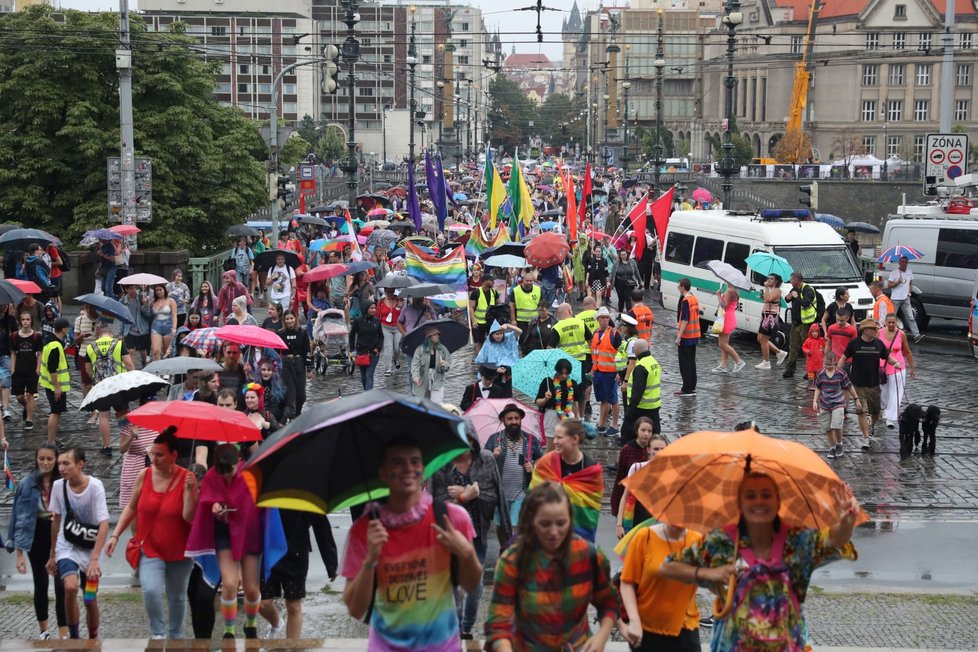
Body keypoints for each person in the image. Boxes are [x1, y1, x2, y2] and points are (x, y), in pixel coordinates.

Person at [660, 472, 859, 652]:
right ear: (739, 503)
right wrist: (708, 573)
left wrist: (846, 523)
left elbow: (833, 541)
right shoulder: (722, 542)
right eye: (750, 496)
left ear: (778, 501)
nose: (758, 502)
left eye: (766, 495)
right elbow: (667, 566)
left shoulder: (796, 540)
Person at [340, 435, 482, 649]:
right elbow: (355, 609)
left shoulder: (452, 518)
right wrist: (370, 560)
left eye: (415, 461)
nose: (408, 468)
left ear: (424, 470)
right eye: (397, 462)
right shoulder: (365, 530)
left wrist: (466, 554)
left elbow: (471, 585)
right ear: (383, 473)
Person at [484, 482, 618, 651]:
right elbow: (498, 622)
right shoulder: (513, 561)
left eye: (561, 523)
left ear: (570, 520)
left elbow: (609, 602)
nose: (554, 532)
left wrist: (601, 637)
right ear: (531, 521)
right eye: (545, 524)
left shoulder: (588, 555)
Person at [107, 429, 198, 640]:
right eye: (153, 453)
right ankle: (157, 634)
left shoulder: (187, 478)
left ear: (174, 455)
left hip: (179, 550)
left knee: (176, 596)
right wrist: (115, 535)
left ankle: (175, 636)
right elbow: (131, 507)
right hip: (150, 547)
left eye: (160, 455)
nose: (154, 459)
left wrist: (190, 493)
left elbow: (188, 516)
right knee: (150, 591)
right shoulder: (144, 475)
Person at [430, 433, 511, 640]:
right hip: (449, 536)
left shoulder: (486, 459)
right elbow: (434, 504)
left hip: (477, 533)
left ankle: (466, 625)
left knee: (475, 586)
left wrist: (476, 495)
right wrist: (465, 496)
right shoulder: (442, 463)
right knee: (451, 585)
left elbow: (495, 494)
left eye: (469, 440)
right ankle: (457, 627)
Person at [185, 444, 263, 639]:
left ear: (239, 463)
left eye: (231, 473)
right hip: (224, 534)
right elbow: (206, 502)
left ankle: (250, 624)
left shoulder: (250, 474)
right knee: (229, 583)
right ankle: (229, 631)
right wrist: (214, 507)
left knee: (252, 588)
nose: (227, 478)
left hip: (248, 533)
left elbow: (260, 505)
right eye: (223, 474)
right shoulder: (212, 476)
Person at [46, 447, 110, 640]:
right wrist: (52, 555)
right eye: (60, 464)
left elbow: (104, 523)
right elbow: (56, 520)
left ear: (80, 464)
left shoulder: (95, 486)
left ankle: (93, 638)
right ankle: (74, 638)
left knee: (90, 599)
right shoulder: (58, 486)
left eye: (67, 463)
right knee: (70, 587)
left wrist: (95, 559)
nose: (62, 468)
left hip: (91, 548)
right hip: (67, 546)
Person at [7, 443, 67, 639]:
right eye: (41, 458)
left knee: (62, 585)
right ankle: (44, 630)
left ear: (56, 460)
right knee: (40, 584)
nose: (45, 462)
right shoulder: (27, 483)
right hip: (37, 536)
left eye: (50, 458)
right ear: (36, 459)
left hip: (59, 537)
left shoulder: (64, 482)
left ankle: (63, 631)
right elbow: (19, 518)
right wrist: (19, 554)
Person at [258, 509, 338, 639]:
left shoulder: (306, 489)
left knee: (293, 605)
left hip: (296, 550)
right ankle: (277, 623)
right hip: (268, 548)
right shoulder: (266, 488)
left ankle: (292, 647)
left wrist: (331, 564)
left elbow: (321, 524)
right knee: (262, 602)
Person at [529, 419, 603, 543]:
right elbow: (532, 495)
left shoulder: (591, 469)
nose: (555, 442)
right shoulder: (547, 463)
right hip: (547, 534)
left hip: (579, 535)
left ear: (574, 439)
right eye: (555, 437)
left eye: (559, 438)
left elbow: (592, 505)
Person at [844, 318, 905, 450]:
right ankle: (866, 438)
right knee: (861, 411)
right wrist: (838, 374)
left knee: (876, 411)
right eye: (874, 329)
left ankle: (872, 424)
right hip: (858, 384)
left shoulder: (878, 344)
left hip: (874, 384)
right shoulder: (854, 344)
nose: (877, 331)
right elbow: (844, 359)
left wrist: (896, 363)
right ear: (866, 331)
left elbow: (887, 357)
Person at [484, 403, 545, 530]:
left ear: (521, 419)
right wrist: (493, 456)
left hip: (521, 492)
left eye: (516, 418)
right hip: (500, 492)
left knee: (516, 526)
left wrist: (533, 466)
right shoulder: (494, 439)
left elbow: (540, 459)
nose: (514, 422)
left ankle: (513, 549)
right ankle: (503, 549)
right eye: (510, 419)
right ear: (503, 420)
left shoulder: (530, 439)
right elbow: (482, 465)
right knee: (501, 526)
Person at [814, 351, 861, 459]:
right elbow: (818, 388)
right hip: (825, 404)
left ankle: (839, 444)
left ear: (835, 363)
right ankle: (832, 447)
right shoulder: (820, 373)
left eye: (830, 365)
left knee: (836, 425)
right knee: (827, 428)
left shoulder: (841, 373)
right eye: (826, 364)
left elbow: (849, 387)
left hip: (838, 403)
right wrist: (815, 400)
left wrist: (856, 399)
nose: (828, 367)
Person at [610, 415, 652, 536]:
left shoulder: (654, 450)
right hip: (630, 501)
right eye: (643, 430)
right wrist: (617, 508)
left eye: (649, 431)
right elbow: (620, 478)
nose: (646, 434)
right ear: (636, 431)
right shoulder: (627, 450)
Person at [879, 312, 916, 428]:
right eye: (888, 322)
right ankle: (886, 409)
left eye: (893, 323)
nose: (891, 325)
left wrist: (912, 368)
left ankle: (891, 417)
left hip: (898, 366)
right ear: (885, 322)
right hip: (882, 366)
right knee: (884, 392)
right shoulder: (879, 333)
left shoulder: (901, 334)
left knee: (896, 392)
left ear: (896, 323)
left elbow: (907, 351)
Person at [590, 307, 622, 436]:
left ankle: (614, 425)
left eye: (607, 318)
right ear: (598, 319)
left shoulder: (614, 334)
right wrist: (593, 370)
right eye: (602, 318)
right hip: (598, 372)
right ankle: (601, 424)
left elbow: (622, 354)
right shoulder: (596, 333)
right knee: (603, 400)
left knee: (613, 400)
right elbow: (595, 354)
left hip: (610, 372)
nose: (605, 320)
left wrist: (620, 372)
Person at [535, 358, 580, 447]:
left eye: (566, 373)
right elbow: (538, 402)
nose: (563, 376)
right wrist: (545, 399)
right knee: (551, 448)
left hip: (568, 415)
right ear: (557, 371)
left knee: (567, 447)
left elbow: (575, 403)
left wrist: (577, 419)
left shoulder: (573, 383)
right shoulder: (547, 382)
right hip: (552, 415)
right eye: (561, 373)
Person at [39, 318, 70, 446]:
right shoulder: (55, 346)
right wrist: (57, 387)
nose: (69, 329)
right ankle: (51, 442)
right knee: (55, 412)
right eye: (67, 327)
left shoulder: (50, 342)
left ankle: (52, 439)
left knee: (56, 411)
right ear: (63, 329)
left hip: (50, 384)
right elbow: (53, 369)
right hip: (55, 386)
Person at [782, 272, 818, 379]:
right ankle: (790, 369)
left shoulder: (808, 290)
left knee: (807, 349)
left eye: (792, 280)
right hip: (796, 323)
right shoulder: (794, 289)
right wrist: (788, 297)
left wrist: (797, 297)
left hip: (806, 324)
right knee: (792, 347)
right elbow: (788, 299)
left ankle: (811, 370)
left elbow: (806, 303)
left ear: (797, 280)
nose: (790, 281)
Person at [11, 310, 42, 431]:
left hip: (31, 369)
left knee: (30, 394)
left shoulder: (36, 336)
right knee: (19, 397)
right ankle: (27, 407)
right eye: (23, 319)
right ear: (20, 321)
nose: (25, 322)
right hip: (19, 369)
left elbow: (40, 353)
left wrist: (38, 368)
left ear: (31, 321)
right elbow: (13, 353)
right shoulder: (14, 336)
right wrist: (12, 368)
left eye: (27, 319)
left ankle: (29, 420)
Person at [473, 321, 522, 396]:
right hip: (493, 376)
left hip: (507, 374)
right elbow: (483, 362)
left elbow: (520, 331)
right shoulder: (488, 345)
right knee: (495, 396)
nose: (499, 336)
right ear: (492, 335)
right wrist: (495, 369)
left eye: (501, 333)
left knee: (507, 395)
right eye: (497, 334)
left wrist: (508, 325)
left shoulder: (507, 339)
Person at [279, 310, 311, 419]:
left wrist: (309, 369)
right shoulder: (280, 333)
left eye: (291, 318)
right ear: (284, 320)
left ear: (295, 319)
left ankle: (298, 412)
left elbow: (307, 351)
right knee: (290, 394)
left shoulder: (302, 332)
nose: (289, 321)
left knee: (301, 395)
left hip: (299, 365)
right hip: (286, 366)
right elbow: (275, 351)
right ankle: (291, 416)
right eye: (287, 319)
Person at [411, 324, 452, 403]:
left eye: (438, 334)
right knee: (423, 404)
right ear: (429, 337)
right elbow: (415, 365)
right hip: (423, 380)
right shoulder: (420, 350)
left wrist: (445, 365)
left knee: (438, 403)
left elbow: (448, 363)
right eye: (435, 334)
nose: (437, 336)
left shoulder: (442, 349)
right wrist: (416, 376)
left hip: (438, 379)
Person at [887, 255, 923, 343]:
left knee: (911, 317)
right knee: (892, 318)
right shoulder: (894, 273)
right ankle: (889, 335)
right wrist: (897, 282)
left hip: (906, 298)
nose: (904, 264)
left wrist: (909, 292)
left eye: (906, 262)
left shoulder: (909, 272)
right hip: (895, 299)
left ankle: (916, 335)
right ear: (899, 263)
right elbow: (889, 286)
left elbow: (910, 283)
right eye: (902, 262)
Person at [674, 278, 700, 397]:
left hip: (686, 335)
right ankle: (692, 386)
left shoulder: (685, 301)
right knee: (691, 362)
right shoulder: (693, 298)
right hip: (694, 335)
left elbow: (685, 319)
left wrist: (679, 336)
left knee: (684, 363)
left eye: (679, 286)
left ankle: (686, 388)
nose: (678, 288)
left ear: (683, 287)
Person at [349, 300, 383, 391]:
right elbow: (352, 335)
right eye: (371, 308)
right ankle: (366, 393)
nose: (373, 310)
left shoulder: (377, 321)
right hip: (361, 352)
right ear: (366, 309)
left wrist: (379, 348)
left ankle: (369, 397)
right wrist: (352, 350)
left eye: (375, 308)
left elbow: (381, 336)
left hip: (373, 352)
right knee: (363, 376)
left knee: (369, 374)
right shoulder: (358, 321)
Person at [119, 284, 151, 368]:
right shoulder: (122, 301)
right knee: (131, 351)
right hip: (129, 329)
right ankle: (133, 370)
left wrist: (145, 305)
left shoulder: (142, 298)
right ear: (126, 289)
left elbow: (148, 315)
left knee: (142, 350)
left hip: (141, 329)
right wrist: (121, 333)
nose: (133, 290)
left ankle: (144, 364)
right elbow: (121, 318)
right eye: (131, 288)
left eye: (134, 288)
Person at [714, 286, 745, 373]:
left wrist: (718, 295)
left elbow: (724, 305)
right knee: (724, 343)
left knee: (722, 344)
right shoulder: (733, 290)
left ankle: (739, 361)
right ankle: (723, 365)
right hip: (728, 317)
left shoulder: (730, 291)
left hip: (726, 318)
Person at [377, 287, 403, 376]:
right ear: (385, 291)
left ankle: (395, 359)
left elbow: (404, 315)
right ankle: (388, 368)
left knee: (396, 348)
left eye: (391, 291)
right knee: (388, 348)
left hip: (397, 328)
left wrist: (401, 307)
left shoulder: (400, 300)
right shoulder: (381, 302)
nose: (389, 293)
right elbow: (377, 315)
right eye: (387, 291)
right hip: (385, 327)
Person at [469, 275, 497, 356]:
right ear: (485, 281)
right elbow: (471, 308)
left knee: (493, 341)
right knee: (480, 342)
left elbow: (498, 306)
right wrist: (473, 321)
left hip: (491, 322)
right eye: (491, 280)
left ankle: (491, 358)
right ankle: (478, 359)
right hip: (479, 323)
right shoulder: (476, 293)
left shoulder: (494, 292)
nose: (493, 282)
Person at [150, 285, 178, 361]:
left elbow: (174, 315)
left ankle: (167, 371)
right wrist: (145, 304)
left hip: (168, 325)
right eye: (157, 290)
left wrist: (174, 327)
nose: (159, 292)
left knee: (167, 352)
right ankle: (157, 369)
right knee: (156, 351)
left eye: (160, 289)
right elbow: (148, 314)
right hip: (156, 325)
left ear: (164, 290)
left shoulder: (171, 301)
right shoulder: (153, 301)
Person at [611, 248, 642, 313]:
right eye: (621, 255)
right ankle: (620, 313)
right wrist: (610, 282)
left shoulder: (632, 262)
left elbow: (637, 272)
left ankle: (629, 313)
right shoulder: (617, 263)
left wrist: (640, 281)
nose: (623, 256)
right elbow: (612, 273)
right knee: (621, 298)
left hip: (629, 283)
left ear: (627, 254)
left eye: (624, 254)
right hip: (619, 283)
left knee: (628, 298)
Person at [802, 324, 827, 390]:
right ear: (810, 332)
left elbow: (825, 347)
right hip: (811, 362)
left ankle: (818, 385)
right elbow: (804, 347)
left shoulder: (821, 340)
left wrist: (824, 351)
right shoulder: (808, 340)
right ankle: (811, 385)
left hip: (819, 361)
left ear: (818, 332)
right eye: (813, 332)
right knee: (811, 374)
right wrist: (808, 351)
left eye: (816, 331)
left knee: (819, 374)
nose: (815, 333)